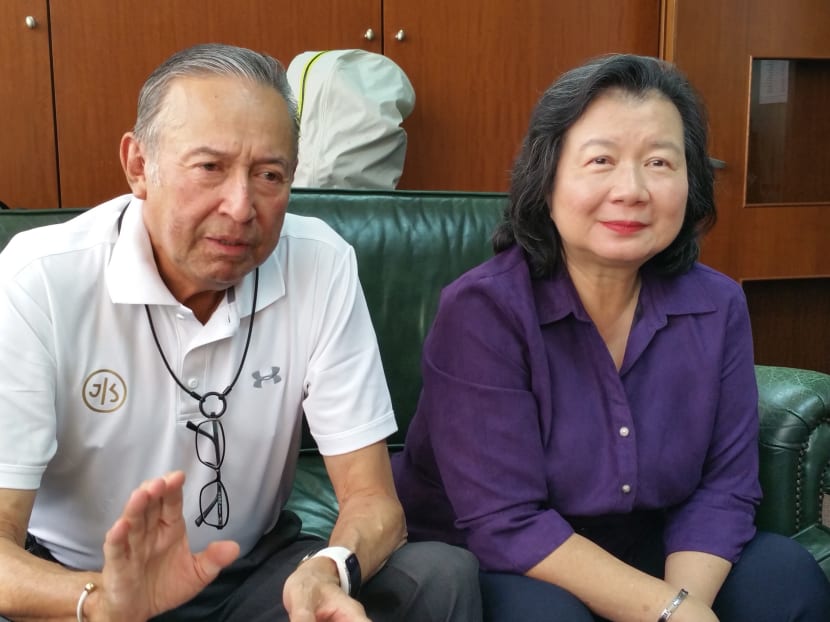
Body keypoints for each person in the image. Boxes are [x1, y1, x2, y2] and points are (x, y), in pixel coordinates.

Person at [0, 43, 481, 622]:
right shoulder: (40, 278)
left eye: (269, 174)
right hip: (85, 586)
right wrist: (99, 601)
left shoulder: (320, 264)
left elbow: (373, 500)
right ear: (138, 166)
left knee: (440, 578)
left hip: (256, 575)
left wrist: (328, 572)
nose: (241, 206)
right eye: (210, 167)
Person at [392, 54, 830, 622]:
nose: (632, 189)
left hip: (649, 544)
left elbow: (723, 488)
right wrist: (669, 611)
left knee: (784, 579)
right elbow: (506, 521)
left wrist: (682, 603)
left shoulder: (717, 304)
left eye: (659, 162)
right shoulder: (484, 310)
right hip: (501, 558)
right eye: (601, 160)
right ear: (546, 177)